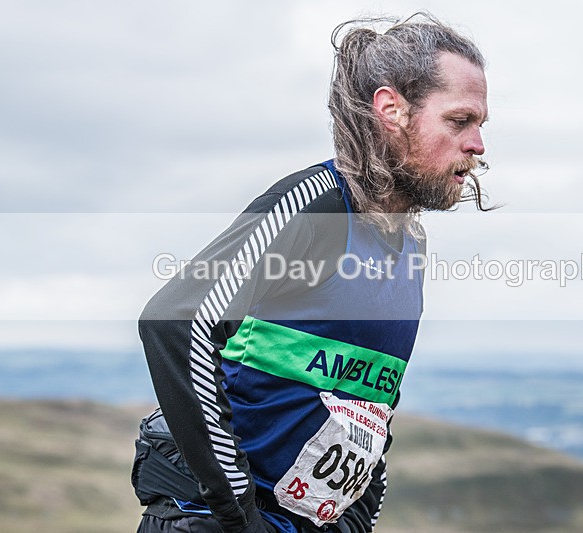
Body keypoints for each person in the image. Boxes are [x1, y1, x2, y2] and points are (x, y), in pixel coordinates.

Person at [132, 12, 490, 533]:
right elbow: (174, 322)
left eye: (481, 125)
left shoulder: (408, 239)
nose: (478, 145)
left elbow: (366, 401)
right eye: (460, 122)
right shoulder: (316, 207)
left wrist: (359, 513)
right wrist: (240, 516)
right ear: (392, 110)